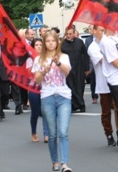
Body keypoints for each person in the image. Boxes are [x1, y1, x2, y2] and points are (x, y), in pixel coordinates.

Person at [33, 31, 73, 172]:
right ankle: (55, 162)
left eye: (53, 40)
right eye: (48, 41)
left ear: (57, 42)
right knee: (52, 134)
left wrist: (58, 63)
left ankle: (64, 164)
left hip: (63, 96)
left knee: (63, 132)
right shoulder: (38, 59)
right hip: (47, 97)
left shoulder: (64, 56)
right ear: (45, 43)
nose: (50, 43)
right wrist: (44, 71)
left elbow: (67, 72)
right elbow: (37, 80)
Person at [88, 25, 118, 147]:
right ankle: (109, 134)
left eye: (105, 30)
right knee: (106, 111)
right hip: (103, 83)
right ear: (94, 31)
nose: (103, 32)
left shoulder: (110, 41)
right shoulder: (93, 47)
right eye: (101, 30)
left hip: (116, 81)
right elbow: (105, 60)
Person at [60, 26, 89, 113]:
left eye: (70, 34)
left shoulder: (79, 42)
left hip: (79, 67)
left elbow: (85, 55)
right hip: (68, 69)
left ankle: (80, 105)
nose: (68, 36)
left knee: (80, 87)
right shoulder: (62, 44)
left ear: (74, 34)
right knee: (71, 87)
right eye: (67, 34)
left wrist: (87, 68)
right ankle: (76, 105)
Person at [27, 38, 49, 143]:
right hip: (34, 88)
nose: (39, 47)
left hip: (45, 88)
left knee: (45, 111)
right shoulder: (30, 59)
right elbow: (30, 73)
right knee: (35, 112)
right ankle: (34, 133)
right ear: (33, 46)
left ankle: (46, 134)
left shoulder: (47, 58)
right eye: (36, 45)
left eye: (41, 44)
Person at [83, 26, 98, 105]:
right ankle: (94, 96)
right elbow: (87, 54)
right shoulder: (88, 40)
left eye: (91, 29)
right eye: (89, 29)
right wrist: (88, 67)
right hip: (92, 64)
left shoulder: (102, 38)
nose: (90, 30)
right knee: (93, 82)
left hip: (101, 64)